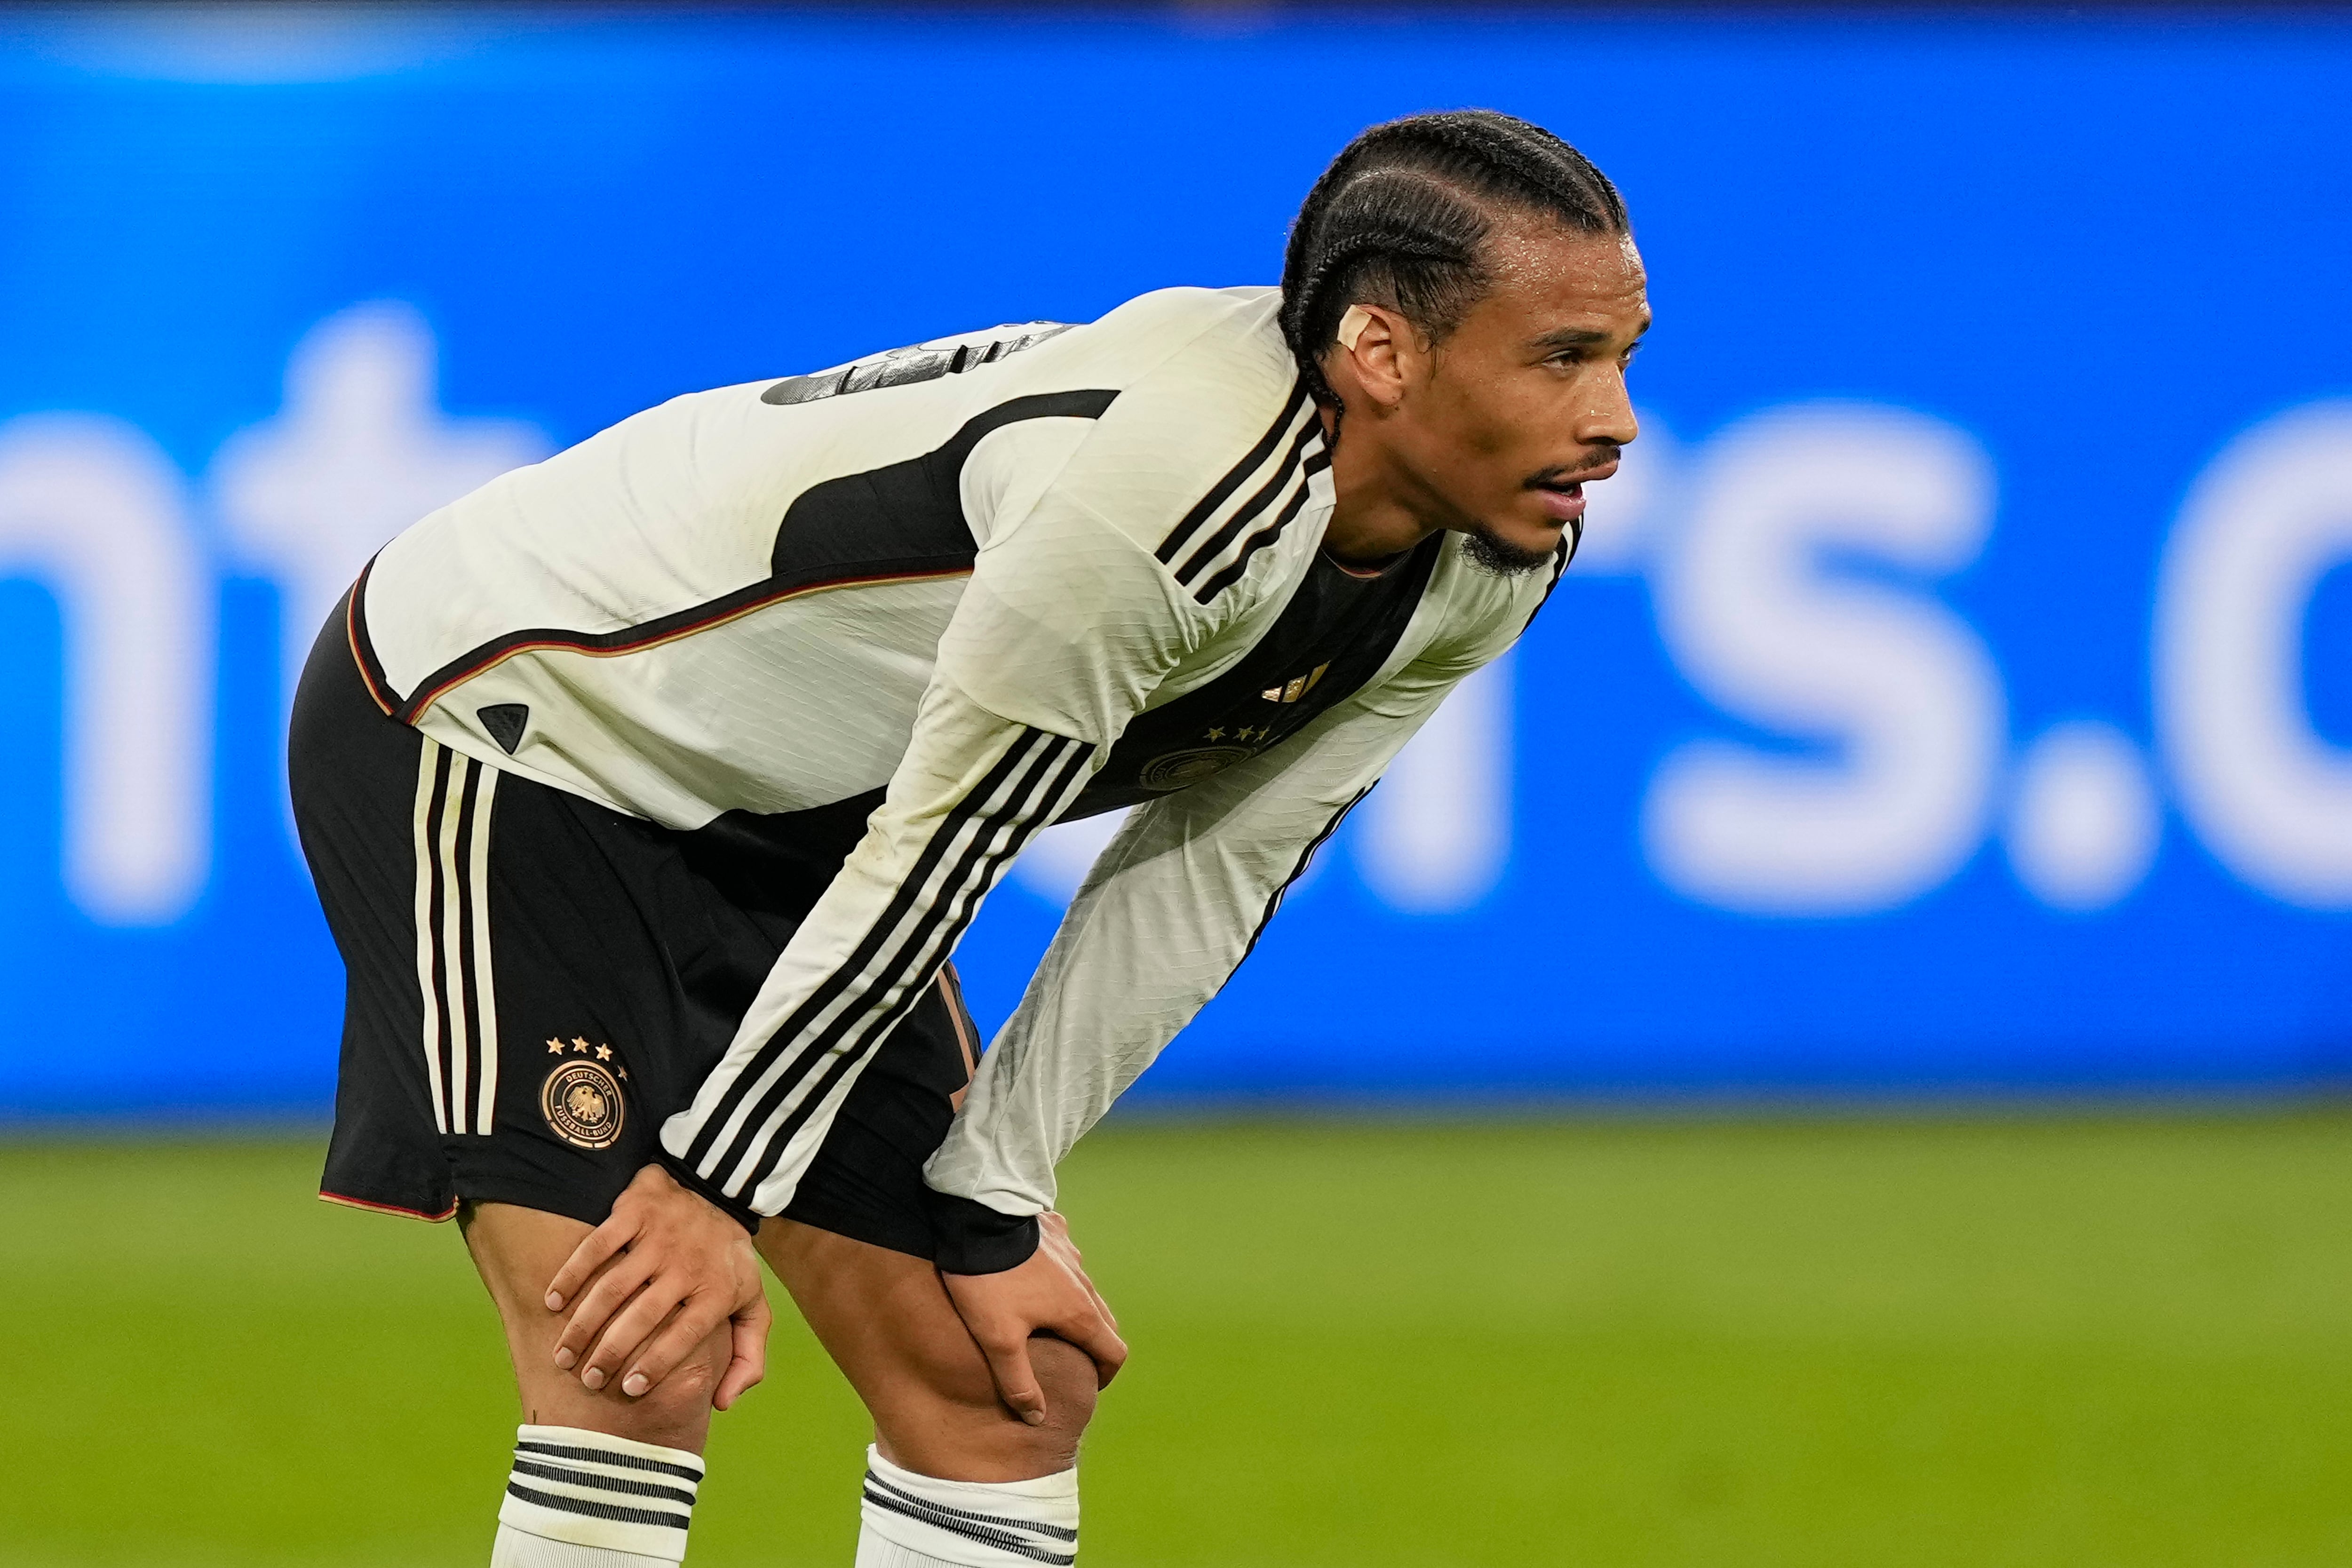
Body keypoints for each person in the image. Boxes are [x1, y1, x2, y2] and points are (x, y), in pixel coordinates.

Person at [289, 107, 1647, 1567]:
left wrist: (997, 1182)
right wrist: (712, 1193)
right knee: (635, 1355)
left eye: (1624, 353)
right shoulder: (1170, 498)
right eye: (1563, 356)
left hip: (801, 813)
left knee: (1008, 1388)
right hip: (516, 721)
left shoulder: (1499, 548)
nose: (1617, 415)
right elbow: (948, 846)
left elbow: (1213, 868)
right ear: (1381, 353)